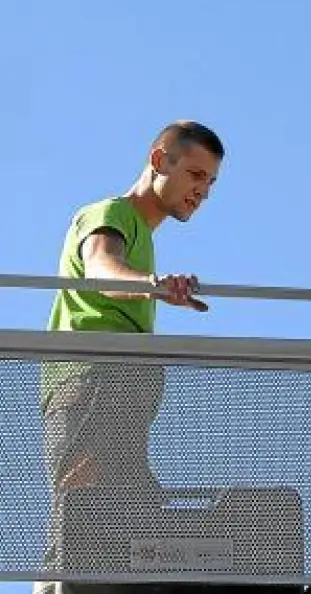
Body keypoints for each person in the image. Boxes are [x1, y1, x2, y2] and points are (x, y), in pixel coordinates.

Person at [36, 121, 224, 594]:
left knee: (127, 518)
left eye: (210, 182)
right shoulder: (110, 213)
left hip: (115, 394)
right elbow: (101, 267)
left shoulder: (143, 235)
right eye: (195, 174)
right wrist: (154, 286)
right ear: (160, 160)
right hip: (94, 383)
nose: (202, 191)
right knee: (83, 515)